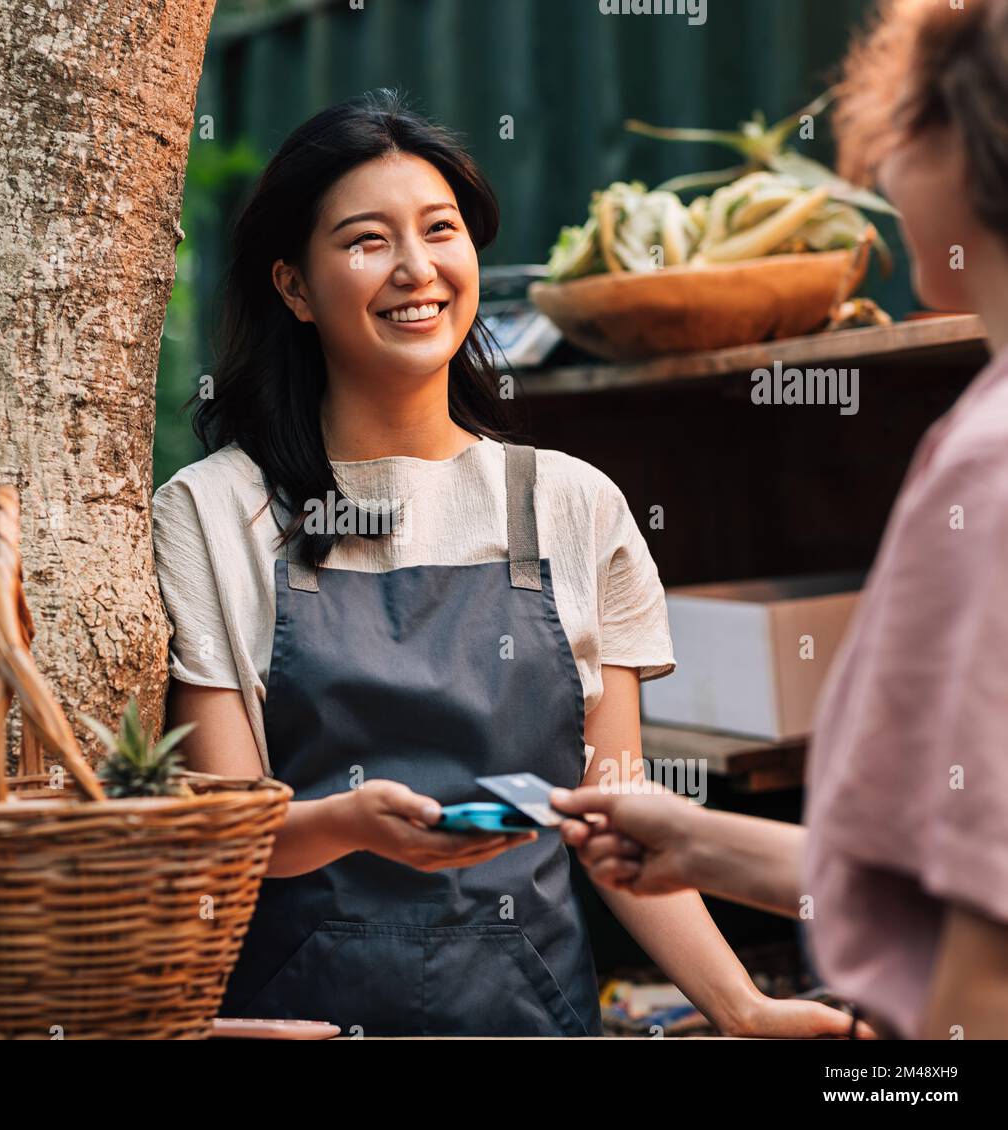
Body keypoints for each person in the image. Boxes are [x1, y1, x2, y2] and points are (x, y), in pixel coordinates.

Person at [151, 89, 856, 1037]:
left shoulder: (572, 504)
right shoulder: (212, 511)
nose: (415, 269)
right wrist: (349, 825)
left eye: (439, 230)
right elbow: (225, 834)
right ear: (292, 287)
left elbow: (616, 811)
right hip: (298, 1023)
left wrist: (743, 1009)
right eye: (366, 241)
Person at [554, 0, 1008, 1041]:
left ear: (971, 143)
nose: (875, 172)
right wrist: (699, 842)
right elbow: (952, 867)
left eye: (908, 120)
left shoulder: (986, 464)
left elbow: (980, 964)